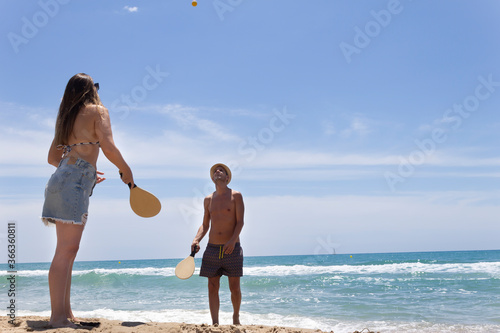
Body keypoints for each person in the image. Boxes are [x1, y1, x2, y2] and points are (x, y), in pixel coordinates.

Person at [41, 73, 134, 328]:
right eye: (96, 86)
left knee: (68, 252)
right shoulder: (98, 111)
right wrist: (126, 169)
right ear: (90, 90)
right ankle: (57, 318)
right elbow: (109, 146)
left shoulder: (66, 117)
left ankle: (66, 313)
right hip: (75, 183)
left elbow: (52, 157)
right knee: (65, 252)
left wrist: (86, 171)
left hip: (62, 180)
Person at [191, 163, 245, 325]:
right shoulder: (208, 200)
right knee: (212, 286)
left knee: (234, 287)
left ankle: (236, 317)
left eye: (221, 170)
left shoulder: (236, 196)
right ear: (213, 178)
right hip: (212, 248)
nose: (217, 171)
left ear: (227, 178)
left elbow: (240, 222)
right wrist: (196, 239)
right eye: (215, 170)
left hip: (232, 248)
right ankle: (215, 322)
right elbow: (205, 225)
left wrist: (232, 240)